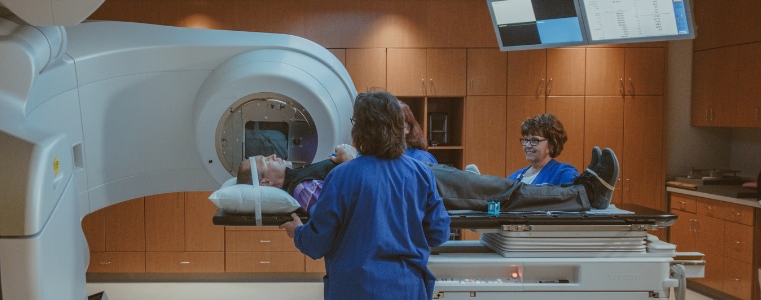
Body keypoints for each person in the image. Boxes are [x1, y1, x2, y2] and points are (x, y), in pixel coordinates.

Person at [278, 91, 451, 300]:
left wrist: (298, 232)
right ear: (399, 127)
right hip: (407, 287)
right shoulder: (421, 173)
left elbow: (317, 243)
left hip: (356, 288)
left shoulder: (342, 176)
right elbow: (439, 233)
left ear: (359, 129)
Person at [239, 145, 619, 212]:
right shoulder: (300, 187)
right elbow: (333, 207)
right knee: (506, 193)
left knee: (503, 189)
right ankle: (585, 195)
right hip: (414, 189)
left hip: (413, 178)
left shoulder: (301, 173)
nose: (272, 156)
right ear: (268, 185)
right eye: (265, 162)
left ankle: (578, 190)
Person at [508, 114, 579, 185]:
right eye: (526, 140)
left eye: (535, 140)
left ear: (552, 144)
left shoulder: (564, 174)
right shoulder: (513, 178)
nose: (527, 145)